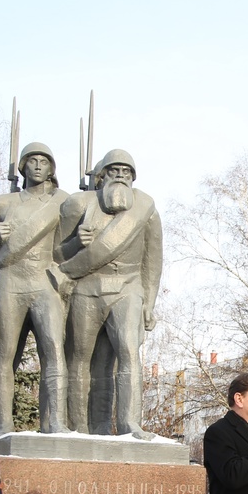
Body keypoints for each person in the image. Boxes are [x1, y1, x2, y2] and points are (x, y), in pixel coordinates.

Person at [57, 149, 162, 437]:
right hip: (86, 289)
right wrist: (76, 243)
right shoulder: (78, 204)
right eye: (114, 171)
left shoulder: (146, 209)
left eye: (126, 172)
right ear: (101, 176)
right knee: (80, 358)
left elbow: (153, 261)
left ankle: (129, 424)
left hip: (128, 288)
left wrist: (149, 303)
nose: (120, 176)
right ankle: (78, 427)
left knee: (129, 353)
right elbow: (56, 255)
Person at [0, 143, 70, 435]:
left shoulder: (63, 202)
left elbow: (67, 248)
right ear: (23, 167)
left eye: (44, 161)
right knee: (5, 354)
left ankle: (55, 423)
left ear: (52, 169)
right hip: (10, 282)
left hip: (44, 283)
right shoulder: (2, 204)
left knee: (53, 351)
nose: (38, 166)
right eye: (32, 161)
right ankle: (1, 427)